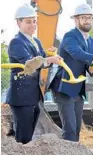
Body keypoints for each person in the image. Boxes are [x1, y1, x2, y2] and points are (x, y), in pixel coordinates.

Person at [49, 4, 93, 142]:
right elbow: (78, 54)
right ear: (76, 20)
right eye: (84, 18)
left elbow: (89, 66)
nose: (87, 20)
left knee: (76, 129)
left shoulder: (92, 42)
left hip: (78, 88)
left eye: (89, 18)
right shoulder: (69, 36)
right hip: (64, 87)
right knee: (70, 129)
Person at [6, 4, 62, 144]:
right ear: (18, 22)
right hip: (21, 98)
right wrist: (49, 59)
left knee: (28, 136)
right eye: (28, 21)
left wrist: (49, 55)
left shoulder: (36, 41)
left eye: (34, 21)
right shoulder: (16, 42)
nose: (33, 24)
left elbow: (43, 59)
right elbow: (30, 63)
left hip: (33, 96)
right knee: (23, 138)